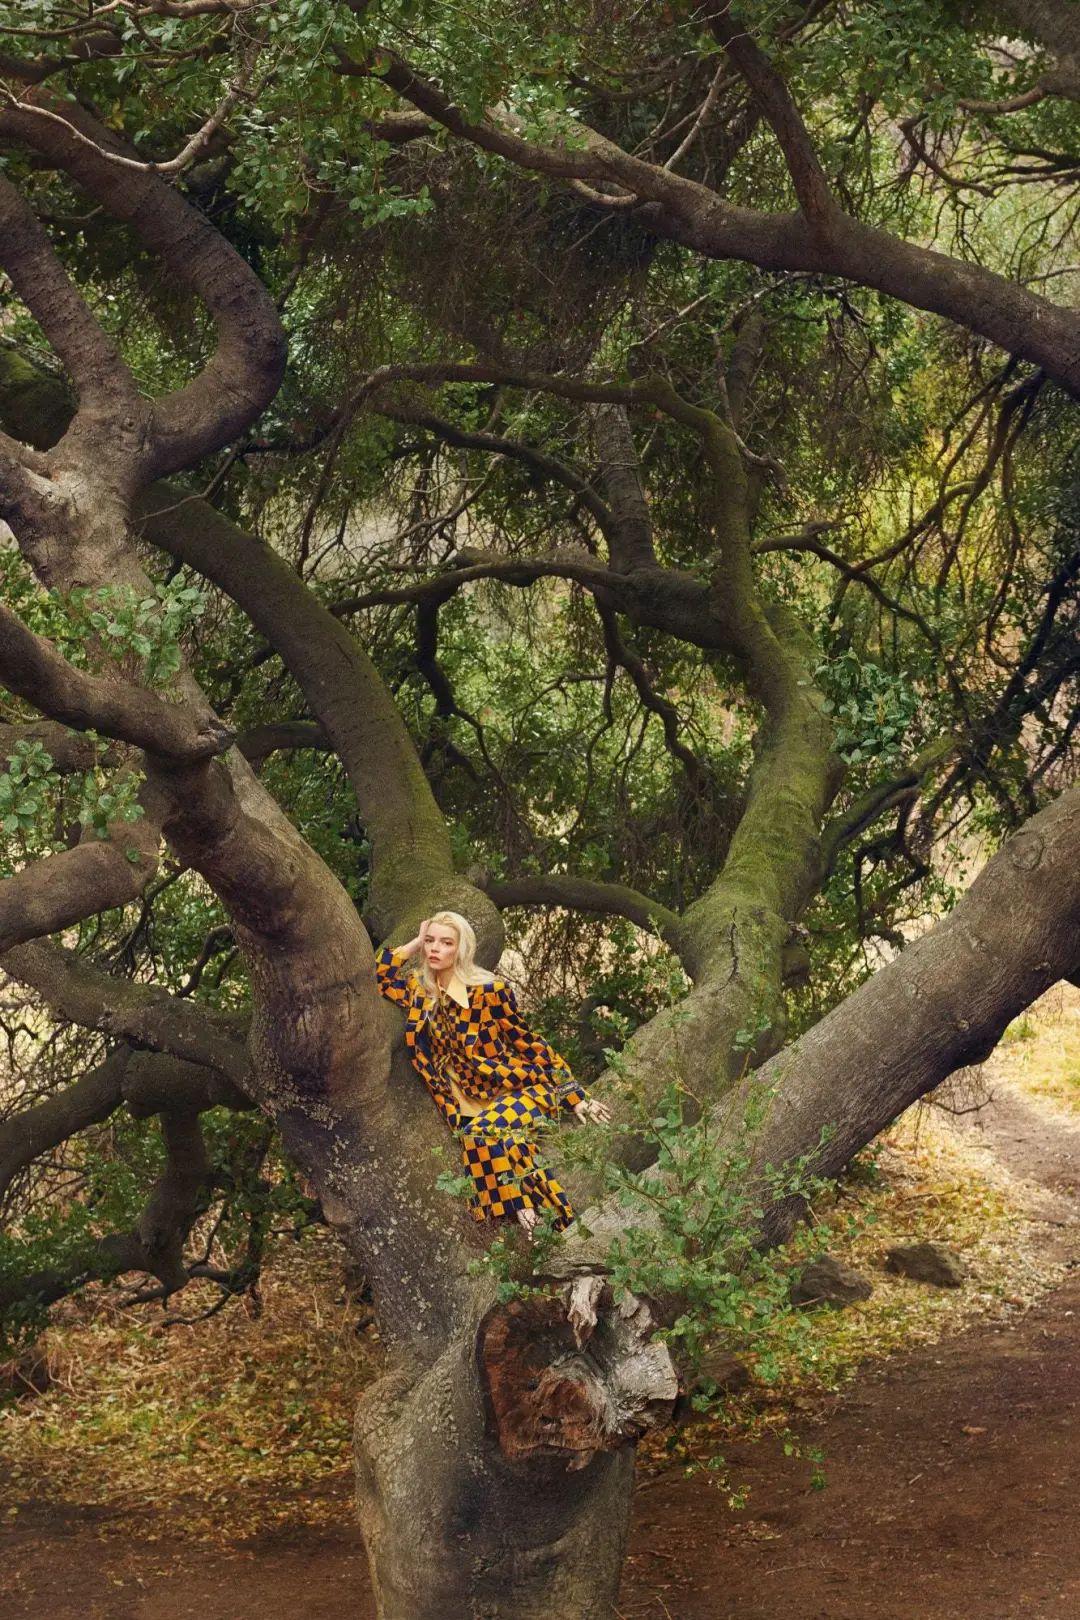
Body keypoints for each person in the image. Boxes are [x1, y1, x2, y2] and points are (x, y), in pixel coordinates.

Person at [375, 911, 611, 1236]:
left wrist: (575, 1096)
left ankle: (516, 1205)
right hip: (465, 1102)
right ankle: (565, 1229)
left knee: (481, 1135)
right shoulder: (419, 992)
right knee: (512, 1146)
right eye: (431, 941)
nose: (435, 949)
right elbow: (379, 977)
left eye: (446, 942)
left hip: (519, 1089)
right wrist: (414, 943)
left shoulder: (491, 991)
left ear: (461, 949)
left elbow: (529, 1043)